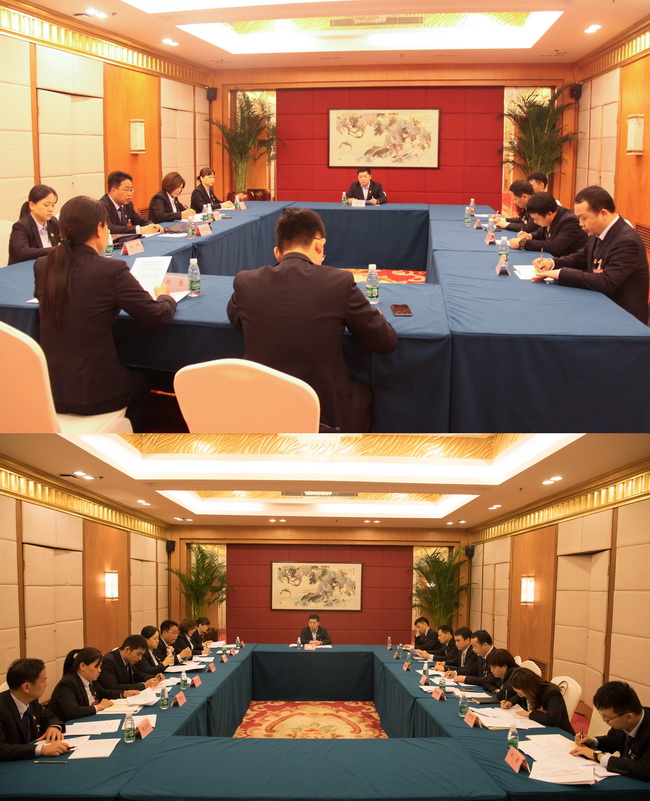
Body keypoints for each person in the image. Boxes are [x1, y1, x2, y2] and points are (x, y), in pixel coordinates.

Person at [227, 209, 398, 432]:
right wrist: (377, 316)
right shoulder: (339, 282)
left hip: (261, 405)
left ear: (277, 253)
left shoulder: (246, 281)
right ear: (319, 246)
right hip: (324, 411)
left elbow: (235, 318)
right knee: (364, 392)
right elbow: (385, 342)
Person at [33, 195, 177, 429]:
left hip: (49, 389)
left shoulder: (43, 265)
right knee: (145, 381)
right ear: (99, 229)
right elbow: (157, 317)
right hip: (95, 393)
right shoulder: (111, 270)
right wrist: (165, 297)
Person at [532, 185, 649, 323]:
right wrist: (553, 263)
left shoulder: (627, 241)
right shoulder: (599, 231)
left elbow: (607, 282)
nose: (580, 224)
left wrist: (560, 274)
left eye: (583, 218)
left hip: (622, 316)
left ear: (603, 214)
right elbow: (581, 257)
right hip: (598, 302)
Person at [571, 681, 650, 781]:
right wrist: (592, 741)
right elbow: (612, 741)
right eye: (603, 716)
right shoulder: (623, 721)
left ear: (629, 717)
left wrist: (598, 756)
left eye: (608, 718)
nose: (605, 721)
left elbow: (645, 769)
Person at [0, 658, 67, 761]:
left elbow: (49, 717)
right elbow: (1, 749)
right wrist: (41, 749)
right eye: (44, 680)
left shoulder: (31, 701)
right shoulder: (2, 708)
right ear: (27, 687)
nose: (46, 684)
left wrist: (53, 727)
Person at [48, 647, 138, 721]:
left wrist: (123, 693)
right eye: (96, 666)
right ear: (82, 666)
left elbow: (103, 693)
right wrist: (98, 707)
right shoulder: (67, 684)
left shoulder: (90, 679)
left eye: (100, 666)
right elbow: (73, 711)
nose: (100, 670)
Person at [508, 192, 587, 256]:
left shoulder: (570, 221)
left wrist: (523, 243)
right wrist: (530, 236)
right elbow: (541, 233)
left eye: (536, 219)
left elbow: (554, 247)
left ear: (549, 214)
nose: (535, 222)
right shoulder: (551, 215)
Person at [502, 667, 573, 735]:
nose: (521, 695)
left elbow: (552, 719)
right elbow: (518, 697)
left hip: (559, 733)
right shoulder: (529, 691)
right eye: (519, 693)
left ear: (528, 687)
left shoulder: (551, 693)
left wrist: (530, 714)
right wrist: (510, 702)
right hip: (539, 727)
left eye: (521, 693)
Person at [8, 185, 60, 265]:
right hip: (25, 269)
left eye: (53, 205)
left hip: (50, 267)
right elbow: (24, 252)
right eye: (46, 205)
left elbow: (64, 241)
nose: (51, 209)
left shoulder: (53, 222)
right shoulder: (21, 227)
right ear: (32, 205)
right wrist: (54, 250)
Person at [99, 170, 162, 235]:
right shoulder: (101, 206)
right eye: (126, 190)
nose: (130, 194)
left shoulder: (128, 205)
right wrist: (138, 229)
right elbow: (110, 228)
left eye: (131, 190)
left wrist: (153, 226)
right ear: (113, 190)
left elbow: (141, 221)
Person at [97, 635, 163, 693]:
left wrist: (154, 677)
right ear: (127, 650)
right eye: (138, 654)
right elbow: (113, 687)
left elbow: (137, 675)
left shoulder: (128, 659)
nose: (140, 658)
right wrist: (143, 686)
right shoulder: (109, 661)